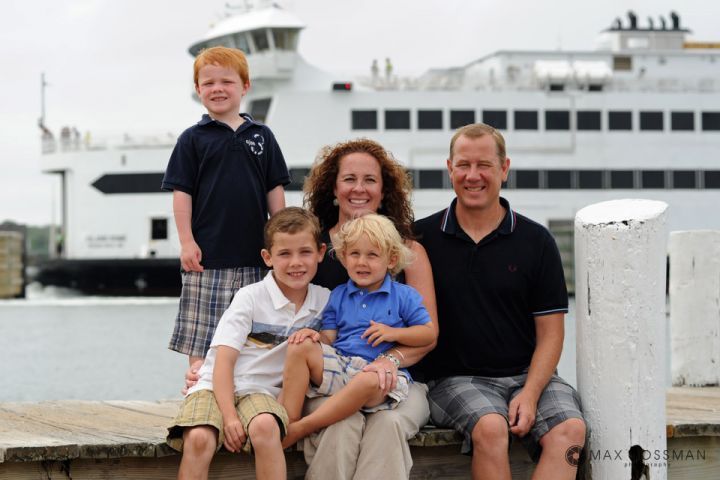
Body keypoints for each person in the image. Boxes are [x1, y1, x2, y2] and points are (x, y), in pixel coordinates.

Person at [413, 123, 586, 480]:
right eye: (463, 165)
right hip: (455, 379)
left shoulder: (536, 241)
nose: (472, 176)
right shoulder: (421, 238)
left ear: (504, 169)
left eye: (484, 165)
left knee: (571, 432)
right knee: (491, 428)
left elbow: (551, 334)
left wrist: (531, 392)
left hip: (529, 375)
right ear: (449, 168)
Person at [301, 138, 438, 479]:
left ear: (383, 189)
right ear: (333, 187)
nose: (358, 189)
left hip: (401, 380)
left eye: (370, 180)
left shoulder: (408, 252)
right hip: (332, 376)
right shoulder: (312, 249)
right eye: (349, 179)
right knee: (340, 422)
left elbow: (428, 335)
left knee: (388, 424)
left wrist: (387, 361)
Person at [166, 207, 330, 480]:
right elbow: (223, 360)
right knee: (199, 438)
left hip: (262, 394)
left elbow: (331, 347)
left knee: (267, 428)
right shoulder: (250, 297)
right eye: (284, 254)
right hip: (214, 386)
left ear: (321, 253)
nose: (296, 263)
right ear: (267, 257)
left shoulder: (324, 302)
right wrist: (229, 417)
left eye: (305, 252)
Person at [162, 46, 289, 367]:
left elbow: (274, 190)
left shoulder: (263, 136)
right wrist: (187, 242)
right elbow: (182, 194)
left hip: (255, 257)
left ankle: (249, 393)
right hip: (207, 258)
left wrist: (281, 242)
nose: (217, 88)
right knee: (202, 337)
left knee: (256, 337)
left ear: (245, 86)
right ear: (198, 90)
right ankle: (199, 394)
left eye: (227, 81)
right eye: (209, 83)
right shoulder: (192, 139)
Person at [280, 214, 436, 447]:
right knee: (299, 345)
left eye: (372, 255)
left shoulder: (403, 295)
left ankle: (304, 426)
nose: (362, 262)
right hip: (343, 366)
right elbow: (330, 338)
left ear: (391, 260)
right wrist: (315, 337)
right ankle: (286, 424)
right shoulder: (339, 295)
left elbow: (428, 333)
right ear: (343, 258)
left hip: (380, 375)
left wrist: (394, 334)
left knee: (370, 379)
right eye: (355, 254)